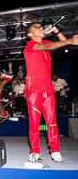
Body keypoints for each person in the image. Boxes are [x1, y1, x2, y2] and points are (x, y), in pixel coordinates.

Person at [24, 23, 78, 162]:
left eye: (42, 27)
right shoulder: (31, 45)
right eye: (37, 27)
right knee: (34, 123)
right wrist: (70, 40)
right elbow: (48, 47)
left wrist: (56, 31)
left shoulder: (46, 42)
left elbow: (63, 45)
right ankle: (35, 152)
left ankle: (55, 150)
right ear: (30, 34)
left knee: (52, 122)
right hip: (34, 91)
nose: (41, 28)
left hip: (48, 90)